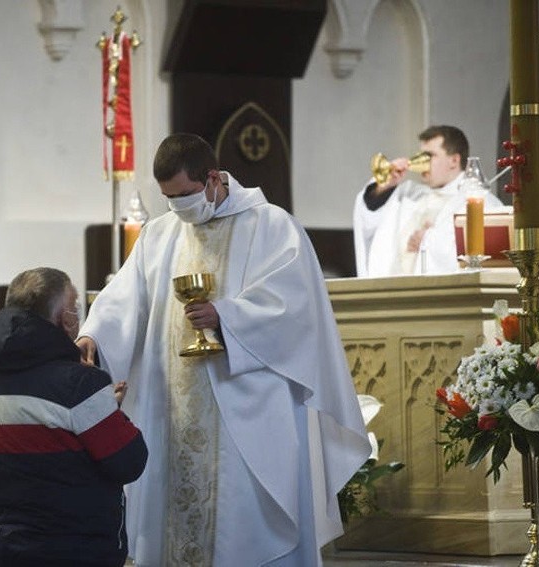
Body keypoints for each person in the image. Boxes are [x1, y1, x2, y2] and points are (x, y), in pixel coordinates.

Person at [77, 133, 370, 566]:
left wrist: (227, 317)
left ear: (213, 178)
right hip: (173, 408)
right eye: (168, 198)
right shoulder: (160, 234)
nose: (178, 208)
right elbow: (126, 294)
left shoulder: (272, 226)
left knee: (248, 523)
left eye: (185, 195)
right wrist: (93, 335)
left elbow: (294, 309)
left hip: (246, 406)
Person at [0, 267, 147, 567]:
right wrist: (107, 411)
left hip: (10, 548)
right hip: (80, 550)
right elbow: (130, 461)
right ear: (64, 318)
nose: (78, 315)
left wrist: (97, 410)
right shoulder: (81, 384)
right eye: (74, 307)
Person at [353, 125, 503, 277]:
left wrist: (427, 241)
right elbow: (369, 212)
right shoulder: (411, 194)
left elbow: (480, 258)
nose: (423, 162)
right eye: (421, 155)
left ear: (454, 160)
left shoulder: (481, 202)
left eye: (430, 156)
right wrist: (386, 184)